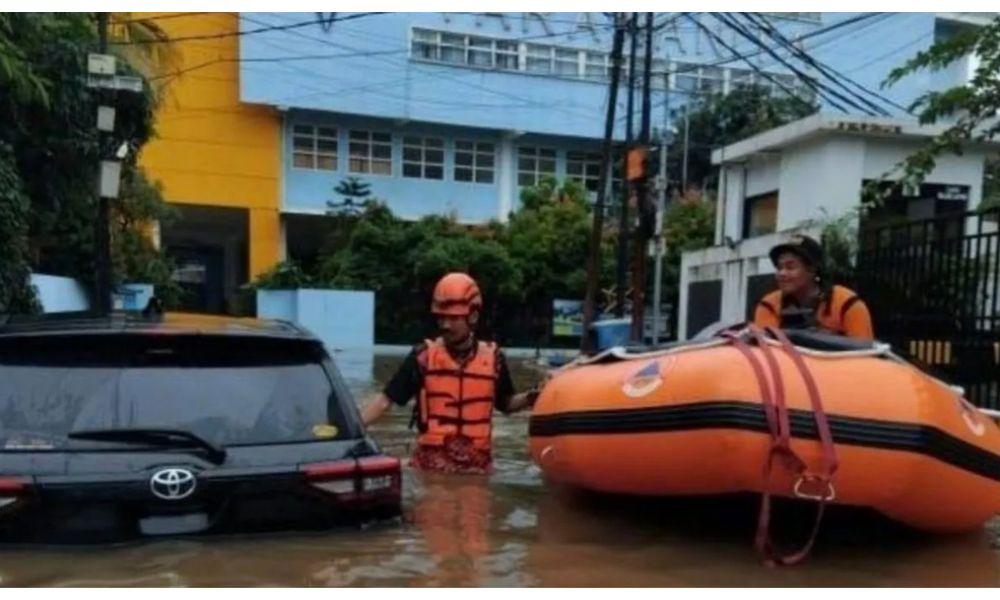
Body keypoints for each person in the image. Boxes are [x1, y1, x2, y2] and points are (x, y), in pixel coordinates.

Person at [361, 272, 538, 474]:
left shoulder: (494, 359)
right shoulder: (423, 357)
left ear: (473, 316)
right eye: (441, 317)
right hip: (431, 465)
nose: (445, 325)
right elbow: (384, 401)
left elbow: (506, 404)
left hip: (477, 467)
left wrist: (531, 397)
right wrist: (351, 429)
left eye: (453, 318)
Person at [753, 234, 874, 340]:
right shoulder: (769, 305)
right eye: (779, 268)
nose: (782, 273)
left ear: (812, 270)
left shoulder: (846, 303)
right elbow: (765, 351)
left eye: (790, 267)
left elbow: (864, 353)